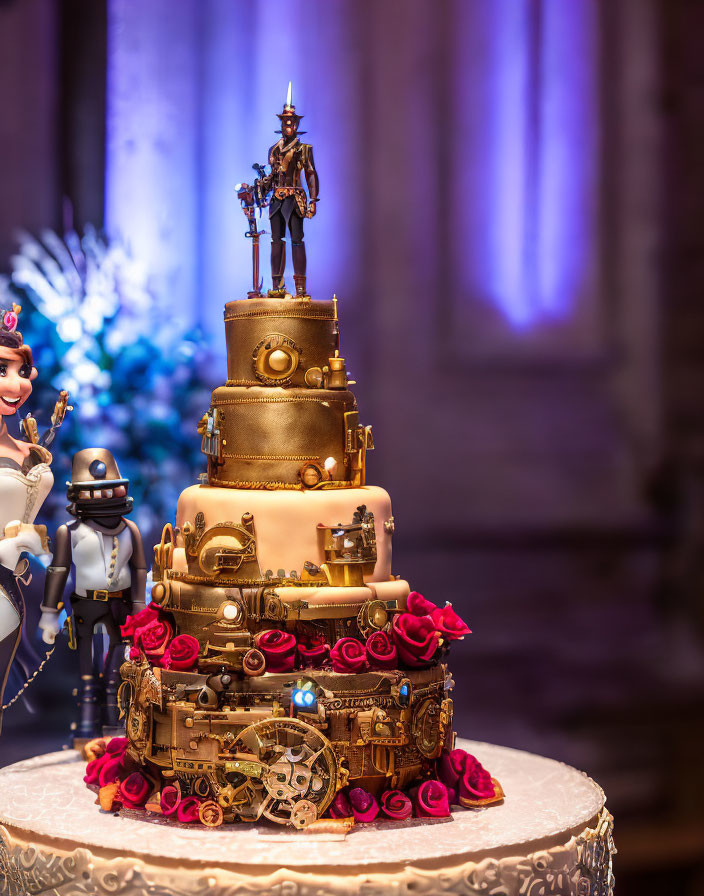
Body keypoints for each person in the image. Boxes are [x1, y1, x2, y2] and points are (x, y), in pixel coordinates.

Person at [38, 448, 147, 740]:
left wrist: (138, 604)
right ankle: (87, 726)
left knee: (117, 669)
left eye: (110, 490)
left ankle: (115, 725)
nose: (104, 498)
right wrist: (50, 612)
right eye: (95, 493)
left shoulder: (130, 529)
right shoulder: (69, 531)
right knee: (86, 672)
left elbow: (139, 569)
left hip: (121, 605)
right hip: (85, 605)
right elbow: (58, 570)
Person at [0, 304, 54, 733]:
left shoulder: (27, 449)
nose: (17, 384)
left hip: (15, 591)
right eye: (3, 369)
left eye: (22, 370)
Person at [264, 84, 319, 297]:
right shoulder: (274, 150)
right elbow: (271, 177)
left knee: (297, 240)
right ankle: (277, 285)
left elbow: (311, 173)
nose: (288, 125)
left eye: (291, 122)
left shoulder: (303, 149)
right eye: (285, 122)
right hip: (277, 200)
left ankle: (300, 288)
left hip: (295, 199)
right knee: (276, 240)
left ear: (296, 124)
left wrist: (313, 201)